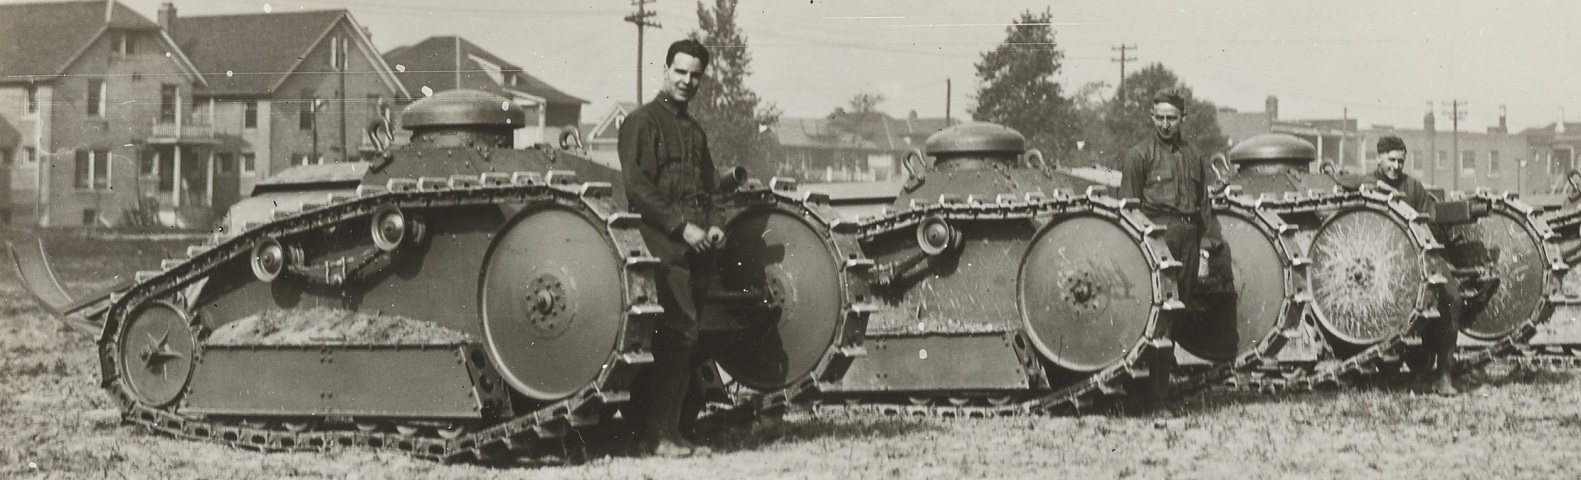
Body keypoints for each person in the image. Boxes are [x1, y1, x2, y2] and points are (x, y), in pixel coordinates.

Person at [617, 39, 727, 457]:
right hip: (660, 246)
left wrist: (715, 226)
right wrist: (682, 227)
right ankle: (655, 437)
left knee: (686, 339)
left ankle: (673, 432)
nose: (687, 81)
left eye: (695, 75)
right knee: (678, 334)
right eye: (680, 72)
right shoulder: (642, 122)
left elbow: (711, 188)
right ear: (665, 70)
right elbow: (638, 187)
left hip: (696, 249)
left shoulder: (694, 131)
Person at [1118, 91, 1235, 358]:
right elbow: (1128, 208)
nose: (1165, 124)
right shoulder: (1138, 155)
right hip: (1156, 239)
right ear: (1151, 117)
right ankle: (1149, 390)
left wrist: (1204, 249)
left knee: (1180, 311)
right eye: (1159, 118)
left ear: (1183, 118)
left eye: (1171, 118)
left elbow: (1203, 206)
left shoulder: (1193, 155)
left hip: (1188, 240)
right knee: (1156, 312)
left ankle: (1162, 386)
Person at [1364, 135, 1461, 395]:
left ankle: (1443, 375)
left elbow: (1430, 221)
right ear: (1379, 158)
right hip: (1382, 262)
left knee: (1451, 299)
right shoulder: (1366, 184)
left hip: (1419, 258)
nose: (1395, 166)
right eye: (1391, 160)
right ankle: (1394, 369)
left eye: (1400, 161)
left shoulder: (1414, 187)